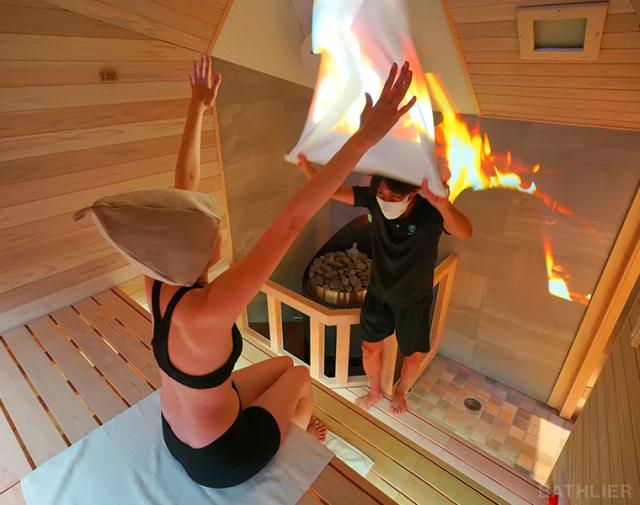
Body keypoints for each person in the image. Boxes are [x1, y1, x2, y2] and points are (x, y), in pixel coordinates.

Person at [145, 55, 417, 488]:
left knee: (283, 365)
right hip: (221, 459)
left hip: (176, 432)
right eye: (214, 226)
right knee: (301, 376)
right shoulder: (211, 308)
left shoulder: (158, 278)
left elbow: (184, 187)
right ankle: (296, 439)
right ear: (202, 249)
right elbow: (292, 220)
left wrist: (198, 106)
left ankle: (279, 428)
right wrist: (366, 137)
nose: (219, 228)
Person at [296, 131, 472, 416]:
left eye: (394, 196)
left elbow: (465, 232)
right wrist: (306, 167)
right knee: (369, 347)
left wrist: (443, 205)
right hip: (379, 292)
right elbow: (333, 190)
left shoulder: (430, 212)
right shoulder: (374, 199)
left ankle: (401, 391)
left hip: (414, 299)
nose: (386, 199)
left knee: (412, 354)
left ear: (412, 193)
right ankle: (375, 390)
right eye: (381, 193)